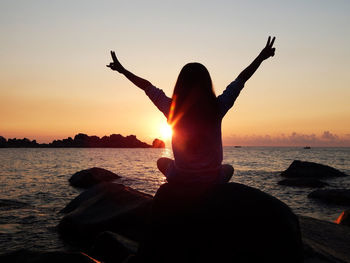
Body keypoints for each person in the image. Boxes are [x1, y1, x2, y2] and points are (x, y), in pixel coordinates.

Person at [107, 36, 276, 184]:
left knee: (161, 162)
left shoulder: (172, 110)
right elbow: (241, 80)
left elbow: (146, 86)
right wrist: (261, 57)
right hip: (211, 179)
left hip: (181, 177)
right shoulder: (217, 108)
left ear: (181, 86)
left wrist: (123, 71)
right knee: (228, 169)